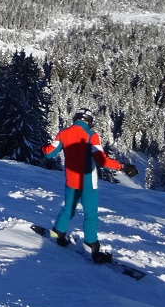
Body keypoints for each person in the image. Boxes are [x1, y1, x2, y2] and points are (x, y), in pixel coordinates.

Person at [42, 106, 139, 263]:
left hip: (71, 180)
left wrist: (43, 147)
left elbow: (49, 153)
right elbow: (102, 161)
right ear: (89, 121)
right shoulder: (91, 135)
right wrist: (123, 167)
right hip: (88, 182)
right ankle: (91, 247)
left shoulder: (63, 133)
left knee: (68, 209)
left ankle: (57, 234)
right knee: (90, 215)